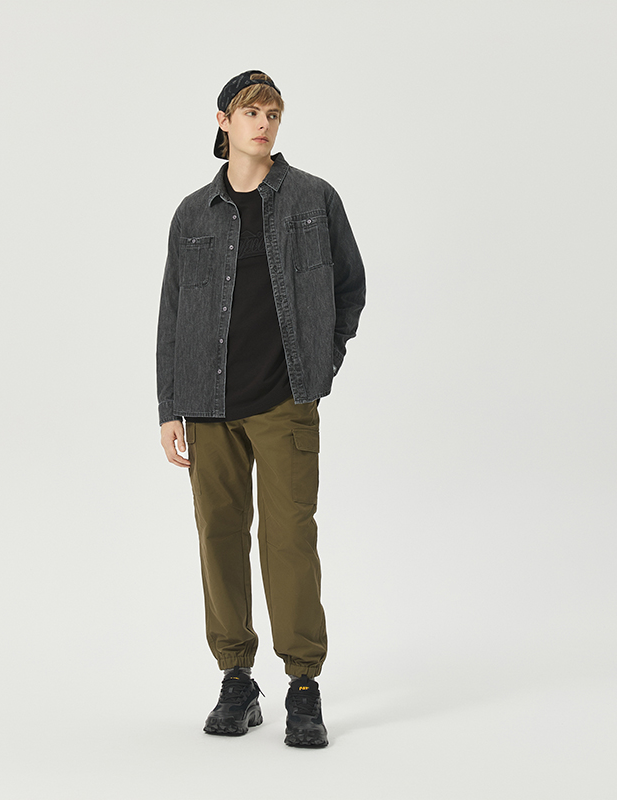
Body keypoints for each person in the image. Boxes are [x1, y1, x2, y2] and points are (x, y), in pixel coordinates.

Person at [156, 70, 365, 748]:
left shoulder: (313, 198)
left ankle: (303, 683)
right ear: (223, 122)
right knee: (218, 537)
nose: (264, 124)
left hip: (283, 400)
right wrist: (170, 406)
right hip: (207, 402)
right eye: (251, 112)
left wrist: (320, 364)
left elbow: (350, 287)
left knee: (288, 541)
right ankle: (237, 679)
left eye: (273, 113)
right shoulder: (193, 214)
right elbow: (172, 312)